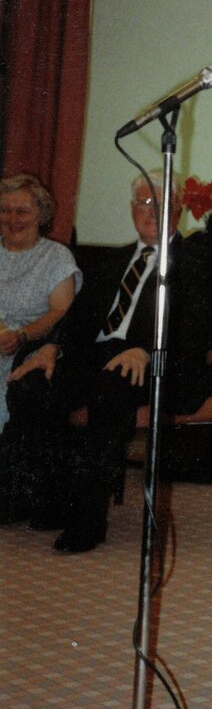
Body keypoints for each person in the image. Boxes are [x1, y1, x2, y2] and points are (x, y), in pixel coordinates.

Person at [15, 173, 212, 552]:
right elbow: (76, 320)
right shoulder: (112, 260)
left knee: (110, 395)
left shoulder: (197, 260)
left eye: (158, 203)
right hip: (97, 356)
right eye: (142, 204)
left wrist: (145, 348)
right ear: (130, 210)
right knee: (30, 386)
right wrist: (52, 349)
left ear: (177, 209)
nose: (149, 212)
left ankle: (87, 521)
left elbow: (194, 327)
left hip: (159, 362)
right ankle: (47, 501)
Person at [0, 175, 81, 521]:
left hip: (31, 344)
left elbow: (60, 312)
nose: (13, 218)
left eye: (23, 211)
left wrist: (20, 336)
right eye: (5, 210)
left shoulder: (56, 257)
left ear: (41, 214)